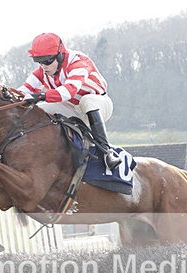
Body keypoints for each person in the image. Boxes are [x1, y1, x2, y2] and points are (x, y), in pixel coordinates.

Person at [16, 33, 121, 170]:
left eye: (47, 61)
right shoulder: (42, 71)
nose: (43, 66)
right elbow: (22, 91)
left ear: (60, 55)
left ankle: (106, 152)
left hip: (100, 104)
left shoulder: (78, 63)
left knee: (87, 100)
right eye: (39, 61)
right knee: (38, 110)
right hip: (70, 106)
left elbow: (69, 90)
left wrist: (40, 96)